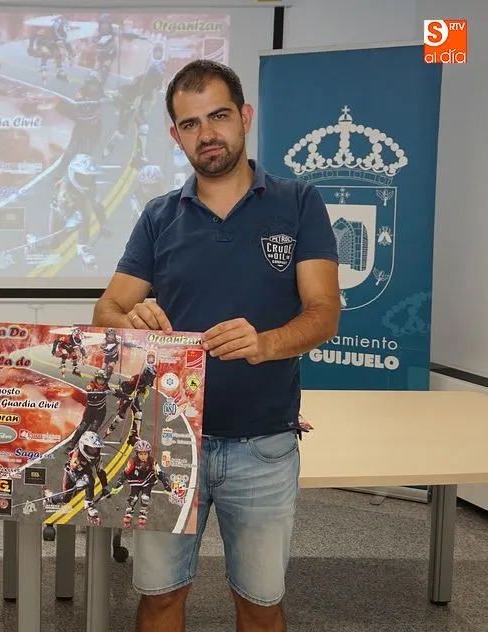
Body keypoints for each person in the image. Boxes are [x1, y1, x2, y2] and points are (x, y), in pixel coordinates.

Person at [93, 59, 341, 632]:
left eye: (219, 116)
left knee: (260, 606)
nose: (207, 133)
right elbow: (107, 309)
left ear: (245, 117)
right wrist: (131, 317)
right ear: (176, 135)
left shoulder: (298, 202)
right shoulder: (159, 216)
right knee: (159, 599)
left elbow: (324, 312)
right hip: (167, 442)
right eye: (190, 123)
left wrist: (266, 342)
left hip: (264, 446)